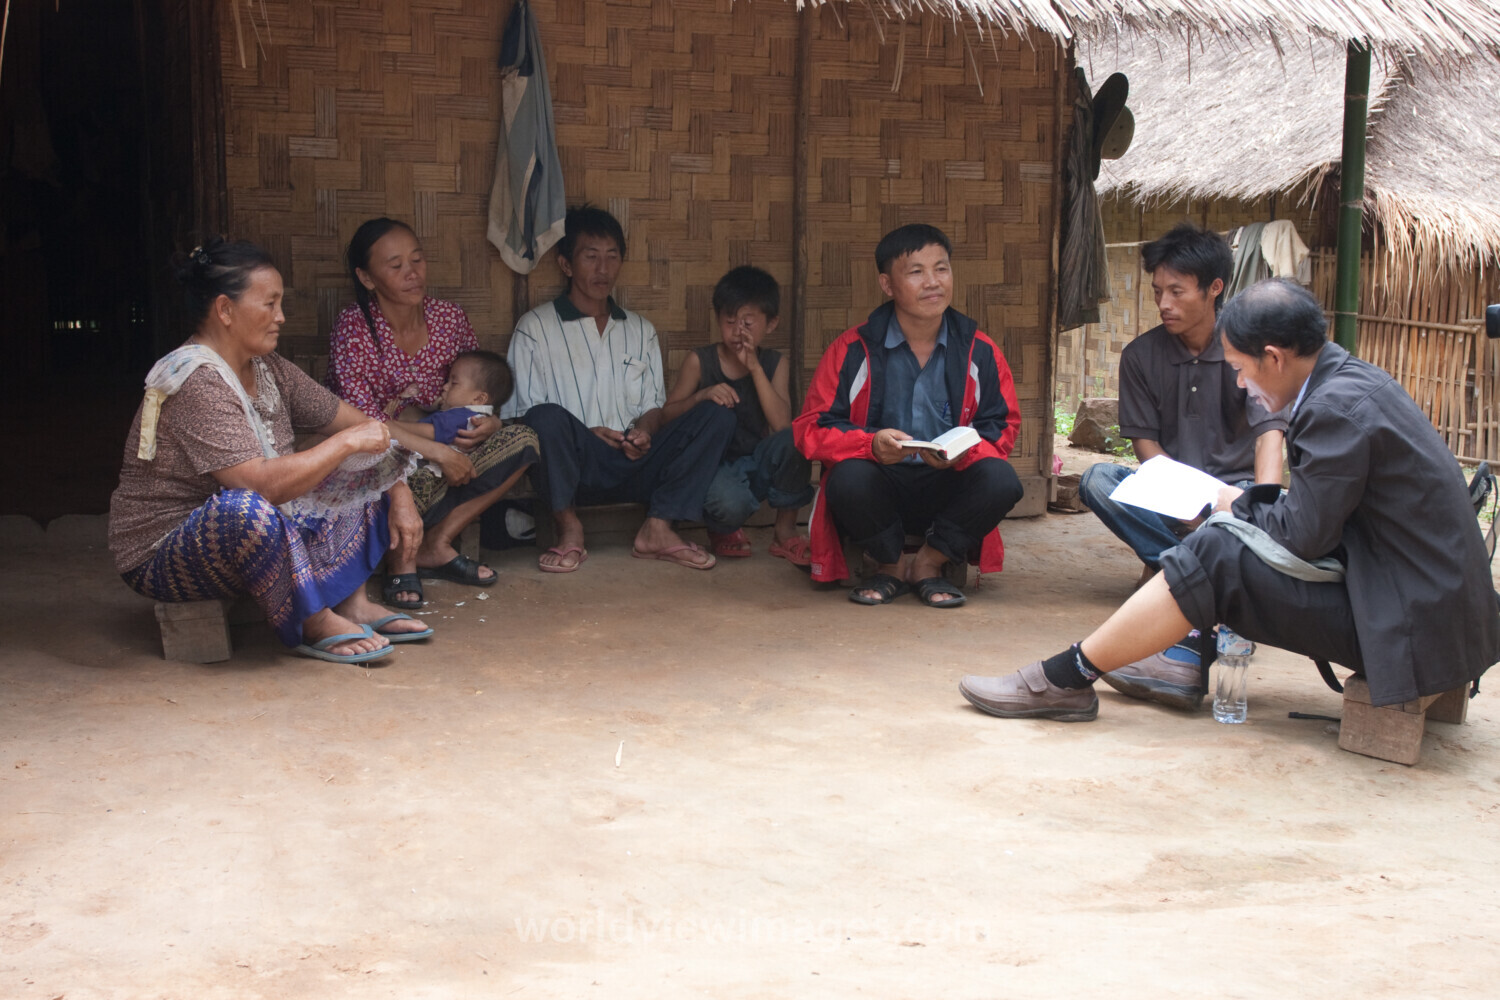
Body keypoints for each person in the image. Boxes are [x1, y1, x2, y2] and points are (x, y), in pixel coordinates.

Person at [960, 279, 1499, 722]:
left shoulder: (1333, 411)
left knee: (1218, 550)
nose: (1241, 385)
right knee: (1223, 536)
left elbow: (1304, 538)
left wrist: (1229, 504)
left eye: (1241, 369)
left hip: (1413, 628)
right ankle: (1158, 659)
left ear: (1274, 357)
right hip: (1435, 612)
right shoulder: (1352, 380)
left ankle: (1069, 676)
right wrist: (1239, 504)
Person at [109, 238, 432, 666]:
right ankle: (312, 620)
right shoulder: (195, 380)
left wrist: (397, 488)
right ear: (225, 310)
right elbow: (259, 485)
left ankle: (351, 602)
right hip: (167, 552)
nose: (280, 317)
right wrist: (343, 445)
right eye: (270, 304)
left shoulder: (268, 366)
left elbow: (360, 426)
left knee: (358, 463)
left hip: (266, 533)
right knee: (244, 509)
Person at [1076, 222, 1287, 709]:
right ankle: (1217, 578)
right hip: (1171, 493)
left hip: (1234, 498)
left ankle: (1182, 572)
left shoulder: (1248, 349)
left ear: (1214, 288)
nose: (1164, 303)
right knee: (1099, 480)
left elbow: (1270, 435)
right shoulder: (1141, 355)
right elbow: (1147, 449)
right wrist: (1183, 503)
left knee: (1275, 510)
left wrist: (1263, 509)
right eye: (1158, 292)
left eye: (1177, 291)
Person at [793, 223, 1025, 608]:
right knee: (847, 478)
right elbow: (811, 429)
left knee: (1001, 480)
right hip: (880, 484)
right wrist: (870, 446)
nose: (933, 282)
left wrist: (962, 453)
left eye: (941, 268)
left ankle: (929, 564)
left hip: (948, 482)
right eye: (916, 271)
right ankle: (891, 565)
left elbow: (1003, 427)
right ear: (887, 285)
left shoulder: (979, 351)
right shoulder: (852, 349)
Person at [503, 205, 736, 572]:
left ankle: (658, 528)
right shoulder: (535, 328)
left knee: (716, 414)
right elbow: (520, 419)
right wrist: (585, 434)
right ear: (566, 265)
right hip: (574, 467)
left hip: (636, 463)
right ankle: (569, 529)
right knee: (543, 418)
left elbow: (653, 407)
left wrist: (643, 431)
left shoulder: (640, 329)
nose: (603, 268)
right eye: (591, 257)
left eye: (612, 257)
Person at [329, 218, 538, 607]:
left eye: (417, 260)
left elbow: (480, 384)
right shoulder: (354, 328)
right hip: (379, 461)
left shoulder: (449, 320)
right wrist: (438, 452)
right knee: (363, 464)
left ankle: (437, 543)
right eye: (396, 266)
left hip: (440, 462)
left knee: (523, 439)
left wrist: (490, 420)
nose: (412, 274)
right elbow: (359, 425)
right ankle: (402, 562)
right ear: (367, 277)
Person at [660, 265, 814, 563]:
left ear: (771, 324)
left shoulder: (773, 363)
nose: (738, 332)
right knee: (727, 503)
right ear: (718, 319)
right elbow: (667, 417)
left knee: (797, 439)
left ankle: (784, 531)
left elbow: (782, 425)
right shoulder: (700, 361)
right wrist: (702, 395)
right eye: (730, 322)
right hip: (712, 470)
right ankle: (722, 528)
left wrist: (754, 367)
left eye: (747, 323)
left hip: (755, 461)